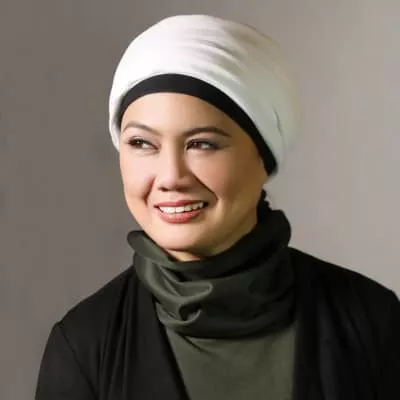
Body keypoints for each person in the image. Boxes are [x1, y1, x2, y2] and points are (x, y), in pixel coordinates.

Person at [35, 14, 400, 400]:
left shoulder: (372, 322)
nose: (171, 176)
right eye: (142, 143)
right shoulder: (83, 347)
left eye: (202, 143)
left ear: (264, 156)